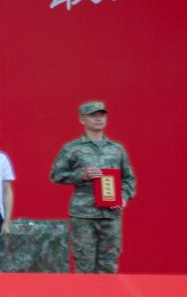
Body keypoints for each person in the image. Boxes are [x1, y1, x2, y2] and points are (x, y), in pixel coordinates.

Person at [49, 100, 136, 273]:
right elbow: (55, 175)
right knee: (84, 263)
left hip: (111, 212)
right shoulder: (72, 148)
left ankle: (108, 292)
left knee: (109, 263)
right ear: (82, 119)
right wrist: (81, 175)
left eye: (102, 115)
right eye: (93, 115)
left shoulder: (117, 149)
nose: (98, 119)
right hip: (84, 213)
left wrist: (124, 196)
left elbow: (128, 178)